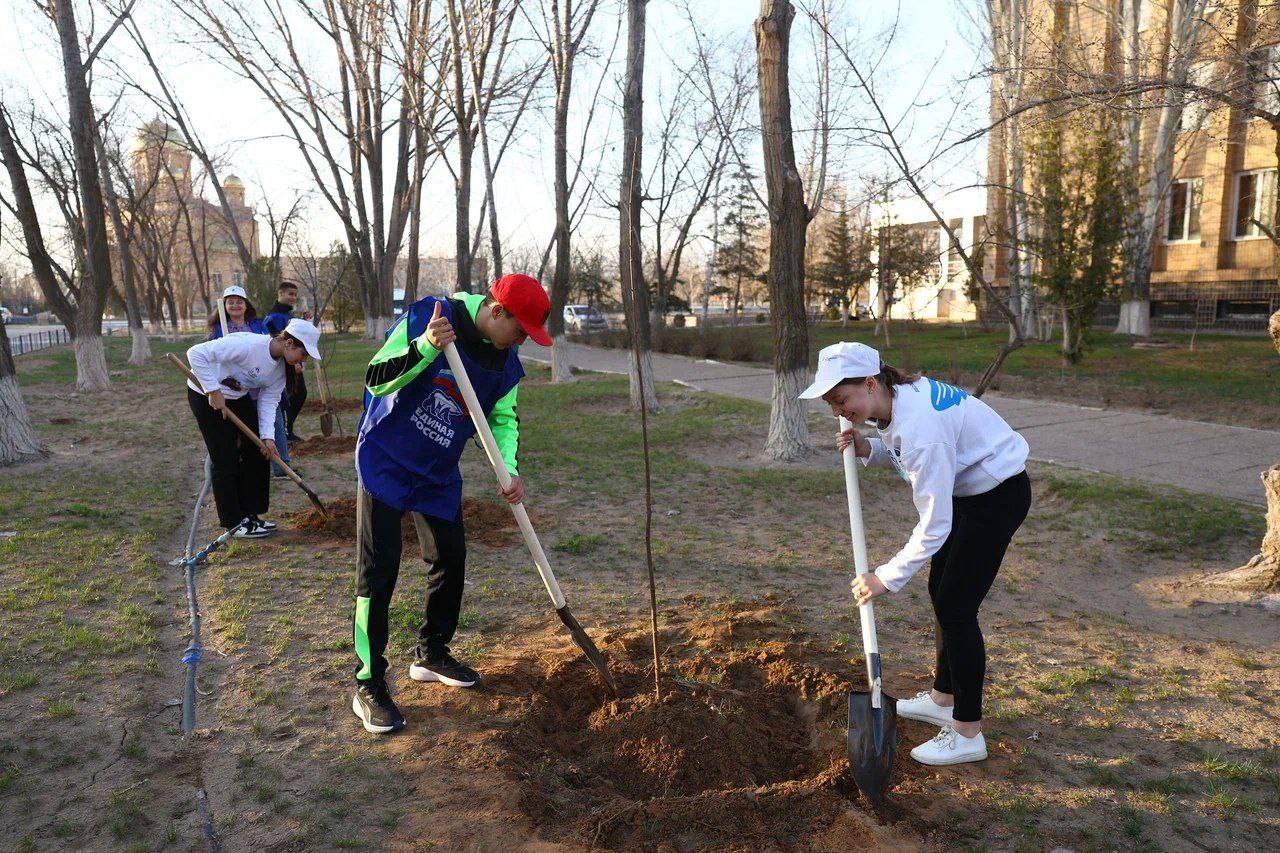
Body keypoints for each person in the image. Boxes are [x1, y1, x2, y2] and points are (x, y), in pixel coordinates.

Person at [800, 341, 1031, 766]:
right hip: (972, 490)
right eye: (831, 403)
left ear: (870, 383)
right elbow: (906, 448)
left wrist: (885, 577)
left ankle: (966, 732)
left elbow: (934, 525)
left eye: (840, 399)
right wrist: (872, 448)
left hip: (996, 498)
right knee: (942, 591)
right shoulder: (897, 399)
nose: (836, 410)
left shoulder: (921, 426)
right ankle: (944, 699)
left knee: (957, 607)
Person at [349, 273, 551, 734]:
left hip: (437, 472)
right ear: (497, 312)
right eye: (520, 331)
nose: (521, 341)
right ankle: (368, 683)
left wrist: (509, 467)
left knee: (450, 559)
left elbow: (500, 416)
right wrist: (424, 347)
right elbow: (376, 380)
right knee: (378, 571)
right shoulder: (430, 315)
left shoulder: (506, 362)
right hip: (387, 459)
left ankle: (432, 652)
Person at [186, 317, 323, 540]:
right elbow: (195, 353)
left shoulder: (280, 369)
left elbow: (269, 401)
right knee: (225, 457)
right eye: (303, 354)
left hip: (236, 397)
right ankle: (233, 522)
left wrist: (268, 438)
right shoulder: (248, 346)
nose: (302, 360)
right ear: (289, 344)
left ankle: (250, 514)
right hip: (204, 394)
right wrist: (212, 390)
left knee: (259, 450)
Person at [208, 284, 293, 480]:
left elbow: (266, 347)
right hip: (235, 387)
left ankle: (282, 466)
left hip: (261, 380)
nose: (235, 305)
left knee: (274, 422)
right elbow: (212, 357)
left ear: (246, 305)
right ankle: (242, 465)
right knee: (245, 430)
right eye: (231, 302)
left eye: (239, 302)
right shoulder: (219, 329)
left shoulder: (257, 325)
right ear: (225, 305)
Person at [263, 280, 311, 442]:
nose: (293, 298)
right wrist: (295, 363)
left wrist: (303, 321)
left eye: (295, 295)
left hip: (292, 362)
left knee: (298, 395)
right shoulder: (274, 316)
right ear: (280, 294)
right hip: (285, 364)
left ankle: (287, 430)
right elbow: (279, 340)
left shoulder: (286, 314)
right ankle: (284, 432)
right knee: (290, 397)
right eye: (290, 294)